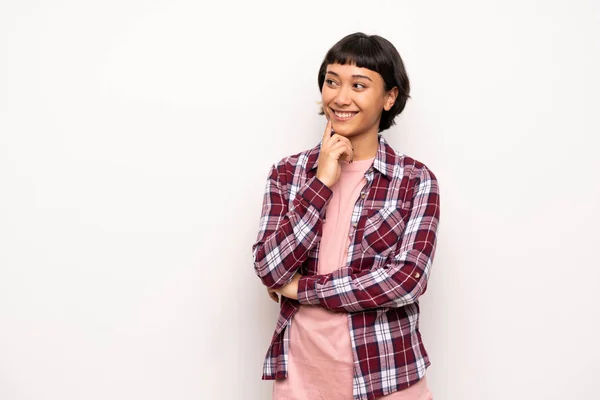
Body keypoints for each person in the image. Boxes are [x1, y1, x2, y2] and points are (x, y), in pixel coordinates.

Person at [251, 32, 440, 400]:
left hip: (386, 376)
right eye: (332, 82)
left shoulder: (415, 181)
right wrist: (321, 181)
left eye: (359, 85)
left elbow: (406, 280)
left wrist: (303, 288)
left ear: (390, 97)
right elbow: (269, 268)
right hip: (301, 379)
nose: (341, 97)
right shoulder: (288, 175)